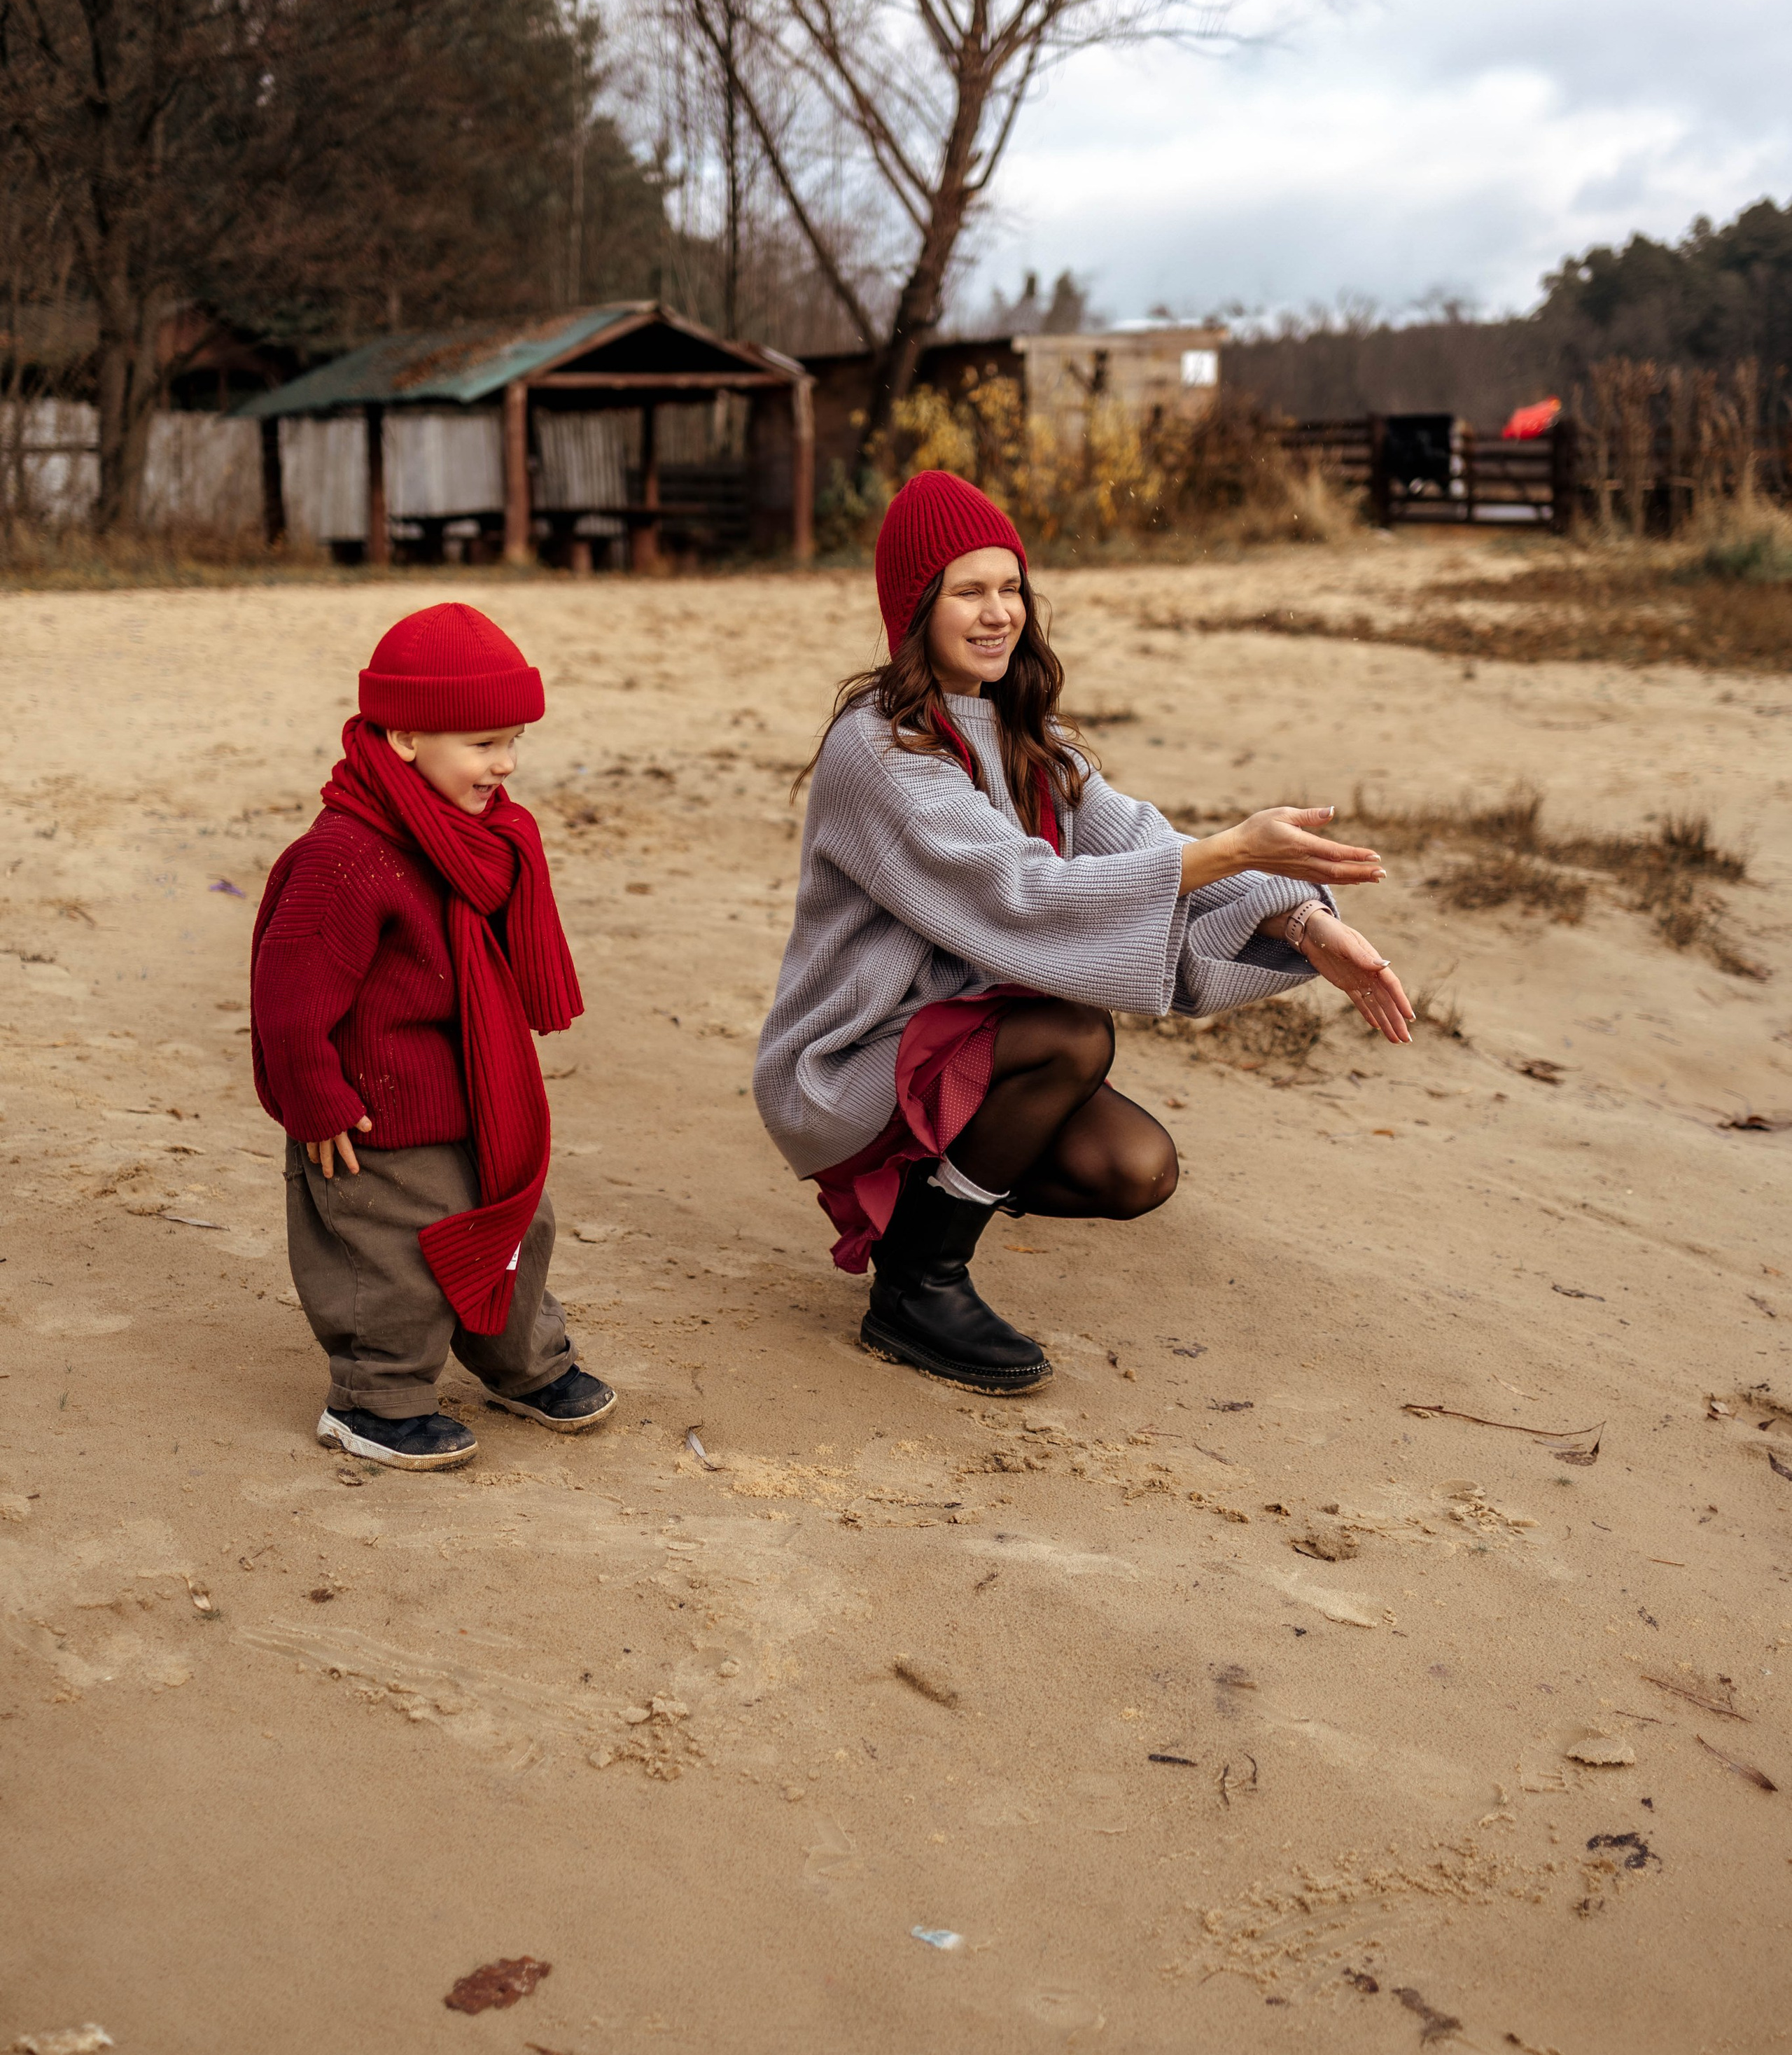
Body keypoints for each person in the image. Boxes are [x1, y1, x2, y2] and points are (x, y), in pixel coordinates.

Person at [754, 472, 1413, 1398]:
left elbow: (1140, 842)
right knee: (1071, 1032)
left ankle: (927, 1205)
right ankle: (917, 1286)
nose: (997, 614)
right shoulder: (880, 749)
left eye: (1010, 587)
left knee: (1134, 1169)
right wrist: (1231, 850)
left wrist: (1301, 920)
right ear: (916, 608)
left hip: (954, 1040)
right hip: (847, 1058)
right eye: (968, 592)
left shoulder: (1022, 729)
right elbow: (1020, 893)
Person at [250, 601, 615, 1470]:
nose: (507, 764)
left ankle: (520, 1363)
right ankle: (375, 1398)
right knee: (395, 1256)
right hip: (372, 1117)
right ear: (406, 737)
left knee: (517, 1224)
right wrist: (316, 1101)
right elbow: (288, 995)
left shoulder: (475, 838)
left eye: (514, 738)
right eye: (484, 743)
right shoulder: (346, 855)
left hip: (471, 1097)